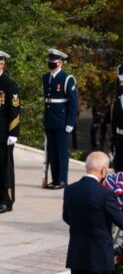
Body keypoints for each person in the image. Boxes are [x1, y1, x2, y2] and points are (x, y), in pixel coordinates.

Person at [43, 48, 78, 189]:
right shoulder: (46, 77)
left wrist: (70, 122)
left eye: (54, 60)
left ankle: (62, 180)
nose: (51, 62)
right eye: (50, 60)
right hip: (50, 119)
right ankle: (55, 179)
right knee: (52, 151)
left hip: (62, 120)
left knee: (61, 152)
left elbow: (73, 103)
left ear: (60, 62)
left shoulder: (67, 79)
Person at [0, 51, 20, 214]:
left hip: (3, 134)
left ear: (2, 64)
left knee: (5, 168)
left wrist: (13, 133)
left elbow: (14, 111)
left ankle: (6, 200)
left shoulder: (9, 84)